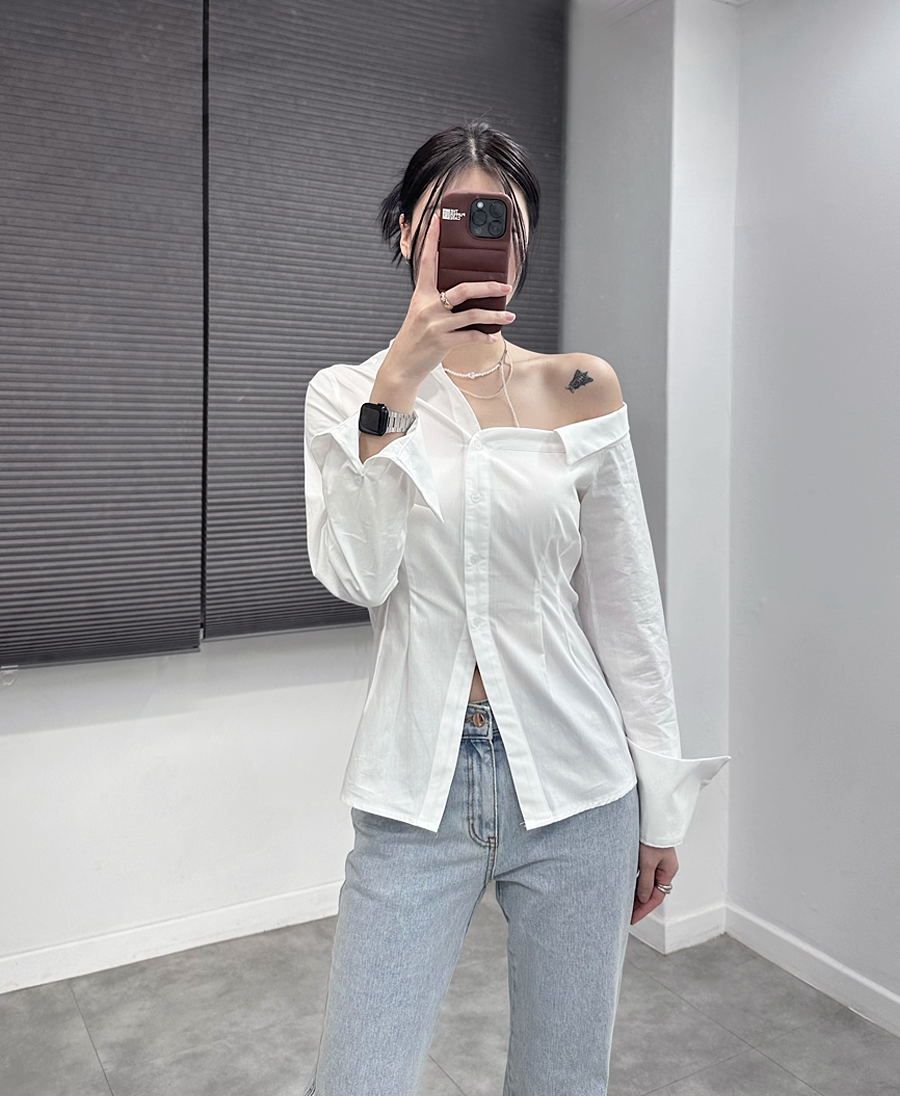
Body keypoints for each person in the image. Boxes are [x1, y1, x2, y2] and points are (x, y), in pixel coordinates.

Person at [301, 121, 730, 1096]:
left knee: (563, 1080)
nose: (479, 238)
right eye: (453, 215)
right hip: (417, 785)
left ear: (524, 243)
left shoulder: (580, 386)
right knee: (359, 1078)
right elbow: (357, 573)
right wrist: (399, 384)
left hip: (580, 785)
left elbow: (627, 608)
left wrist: (661, 806)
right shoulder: (346, 394)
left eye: (502, 221)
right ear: (408, 230)